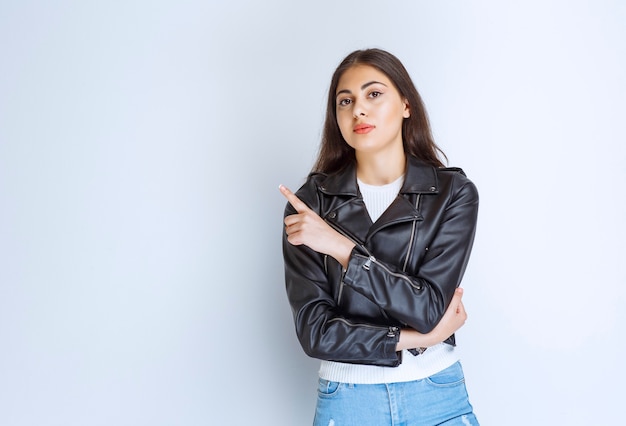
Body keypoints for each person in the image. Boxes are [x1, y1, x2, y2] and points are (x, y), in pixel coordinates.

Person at [279, 48, 479, 425]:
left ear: (406, 104)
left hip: (436, 396)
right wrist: (416, 340)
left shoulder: (453, 193)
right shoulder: (308, 206)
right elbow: (316, 333)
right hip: (348, 403)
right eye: (345, 100)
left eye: (373, 94)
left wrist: (341, 248)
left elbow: (428, 309)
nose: (358, 109)